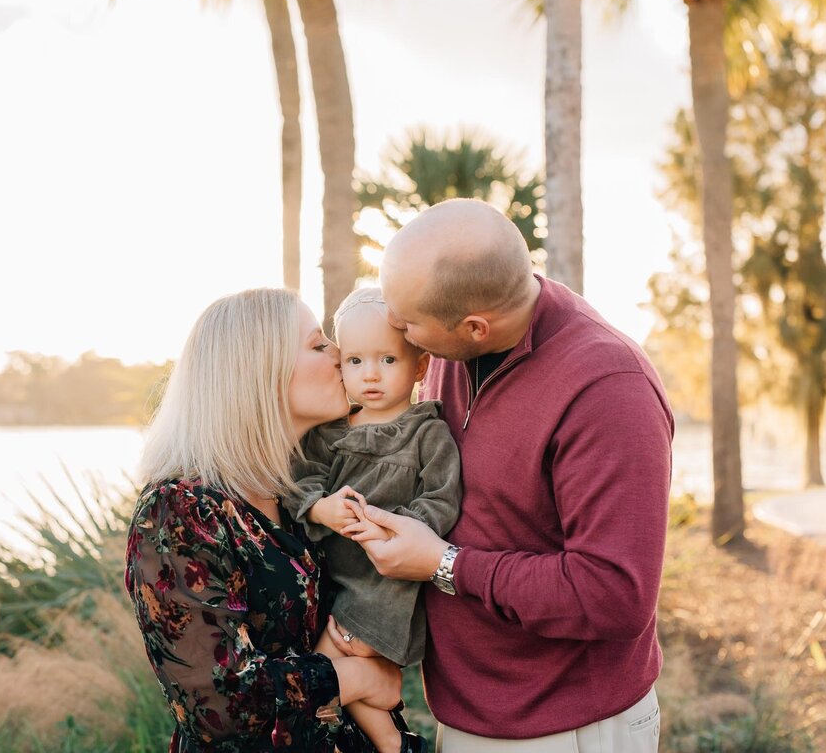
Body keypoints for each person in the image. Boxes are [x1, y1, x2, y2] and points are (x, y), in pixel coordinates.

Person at [342, 199, 674, 752]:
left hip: (566, 728)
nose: (396, 332)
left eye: (406, 324)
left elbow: (616, 594)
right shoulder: (449, 345)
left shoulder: (610, 391)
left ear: (475, 327)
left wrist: (446, 565)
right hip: (468, 714)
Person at [124, 288, 403, 752]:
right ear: (258, 374)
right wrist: (359, 677)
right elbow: (221, 705)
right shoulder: (181, 510)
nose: (342, 355)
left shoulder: (302, 492)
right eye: (319, 344)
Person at [284, 287, 463, 753]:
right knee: (325, 671)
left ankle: (383, 738)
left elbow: (442, 499)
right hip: (334, 576)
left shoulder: (428, 432)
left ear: (420, 366)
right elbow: (301, 481)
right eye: (356, 362)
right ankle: (394, 744)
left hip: (384, 584)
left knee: (326, 669)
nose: (371, 376)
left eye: (388, 360)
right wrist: (320, 506)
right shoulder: (331, 433)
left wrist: (394, 525)